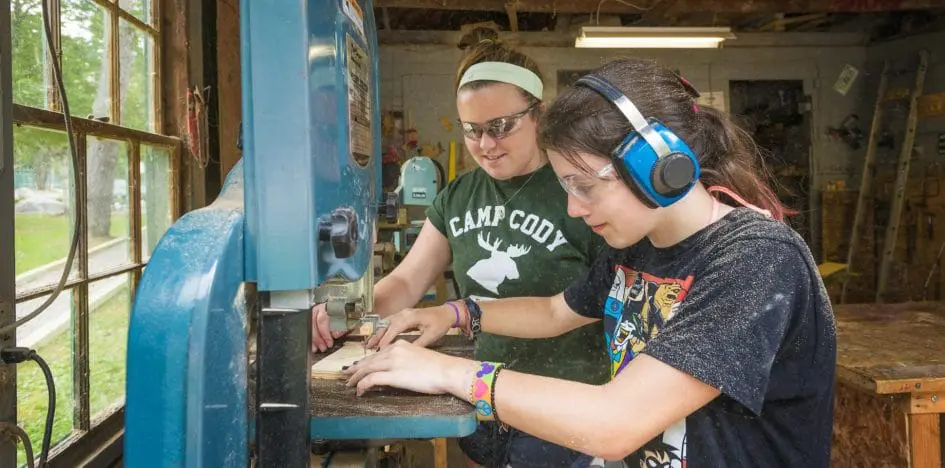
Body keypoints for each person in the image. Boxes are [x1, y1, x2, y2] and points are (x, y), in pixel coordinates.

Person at [342, 57, 837, 468]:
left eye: (585, 186)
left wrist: (450, 374)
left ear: (658, 166)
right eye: (565, 187)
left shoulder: (756, 260)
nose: (574, 208)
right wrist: (459, 313)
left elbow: (614, 424)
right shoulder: (639, 247)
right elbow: (558, 312)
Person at [312, 39, 610, 466]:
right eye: (471, 129)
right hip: (480, 397)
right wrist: (344, 312)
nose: (485, 144)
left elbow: (597, 303)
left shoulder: (578, 192)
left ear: (539, 113)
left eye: (501, 125)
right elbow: (407, 280)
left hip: (563, 402)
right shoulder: (458, 197)